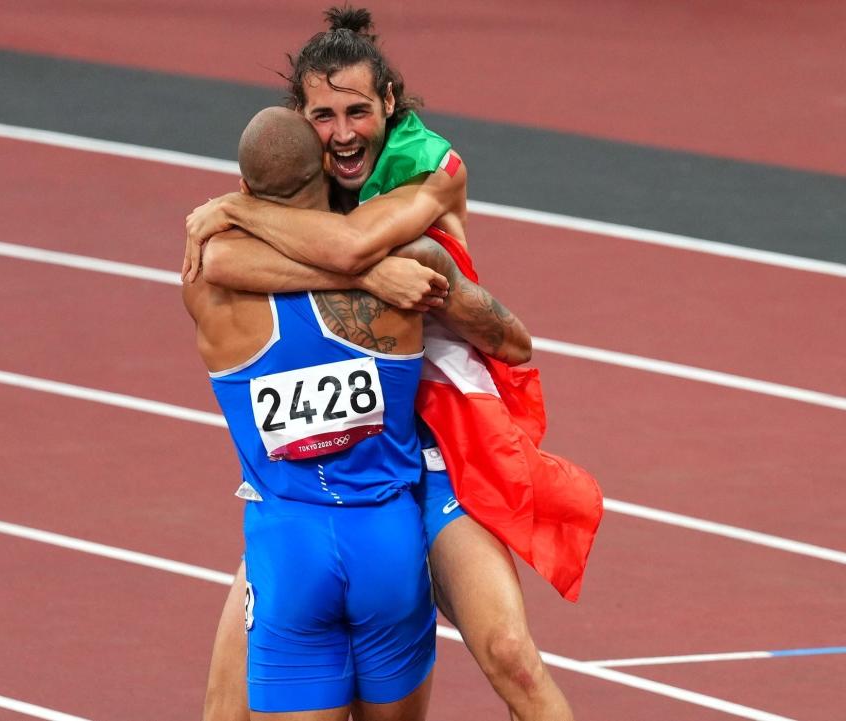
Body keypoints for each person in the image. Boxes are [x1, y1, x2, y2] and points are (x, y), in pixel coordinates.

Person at [185, 8, 596, 721]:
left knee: (508, 651)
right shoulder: (299, 195)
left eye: (357, 111)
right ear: (299, 122)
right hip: (338, 471)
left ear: (390, 106)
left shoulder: (426, 176)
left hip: (440, 457)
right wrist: (361, 273)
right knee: (226, 698)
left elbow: (347, 249)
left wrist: (238, 211)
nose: (343, 133)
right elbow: (217, 260)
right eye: (323, 115)